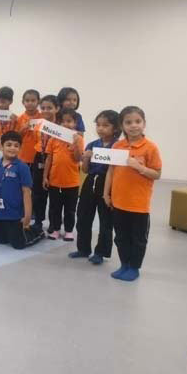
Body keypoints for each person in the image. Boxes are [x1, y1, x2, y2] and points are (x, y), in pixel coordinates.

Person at [103, 106, 162, 282]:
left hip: (139, 205)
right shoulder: (117, 145)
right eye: (128, 122)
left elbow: (157, 174)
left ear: (144, 123)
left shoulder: (150, 148)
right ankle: (124, 264)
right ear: (122, 126)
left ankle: (134, 267)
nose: (133, 125)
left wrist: (140, 168)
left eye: (138, 121)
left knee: (138, 239)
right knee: (121, 237)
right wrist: (106, 193)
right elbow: (111, 172)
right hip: (119, 202)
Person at [70, 110, 120, 264]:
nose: (101, 128)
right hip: (90, 181)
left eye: (105, 125)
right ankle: (83, 248)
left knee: (105, 220)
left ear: (116, 128)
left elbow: (117, 170)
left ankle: (101, 252)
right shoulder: (92, 145)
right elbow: (85, 170)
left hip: (108, 183)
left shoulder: (118, 146)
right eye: (98, 125)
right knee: (83, 216)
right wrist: (86, 158)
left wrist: (109, 192)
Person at [0, 131, 37, 250]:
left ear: (20, 148)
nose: (12, 148)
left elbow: (26, 192)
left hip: (15, 215)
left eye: (16, 146)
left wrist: (27, 216)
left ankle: (37, 232)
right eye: (9, 145)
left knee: (18, 245)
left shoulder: (22, 167)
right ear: (1, 147)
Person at [43, 108, 84, 241]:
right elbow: (48, 159)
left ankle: (68, 231)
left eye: (69, 121)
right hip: (55, 181)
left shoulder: (78, 139)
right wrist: (45, 177)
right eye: (62, 121)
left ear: (75, 123)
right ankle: (55, 229)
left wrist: (76, 145)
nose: (66, 124)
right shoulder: (53, 139)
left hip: (72, 182)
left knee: (70, 209)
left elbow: (78, 159)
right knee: (55, 208)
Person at [30, 95, 59, 236]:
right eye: (43, 108)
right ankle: (38, 221)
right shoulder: (38, 124)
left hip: (55, 159)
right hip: (39, 157)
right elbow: (36, 141)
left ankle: (54, 223)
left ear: (57, 108)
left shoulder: (61, 127)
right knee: (37, 192)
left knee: (54, 194)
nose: (46, 110)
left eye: (50, 108)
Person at [16, 89, 41, 166]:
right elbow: (16, 138)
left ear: (38, 102)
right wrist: (22, 129)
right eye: (27, 100)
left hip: (38, 156)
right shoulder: (19, 119)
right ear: (23, 102)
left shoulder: (43, 118)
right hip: (23, 156)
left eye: (33, 100)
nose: (30, 103)